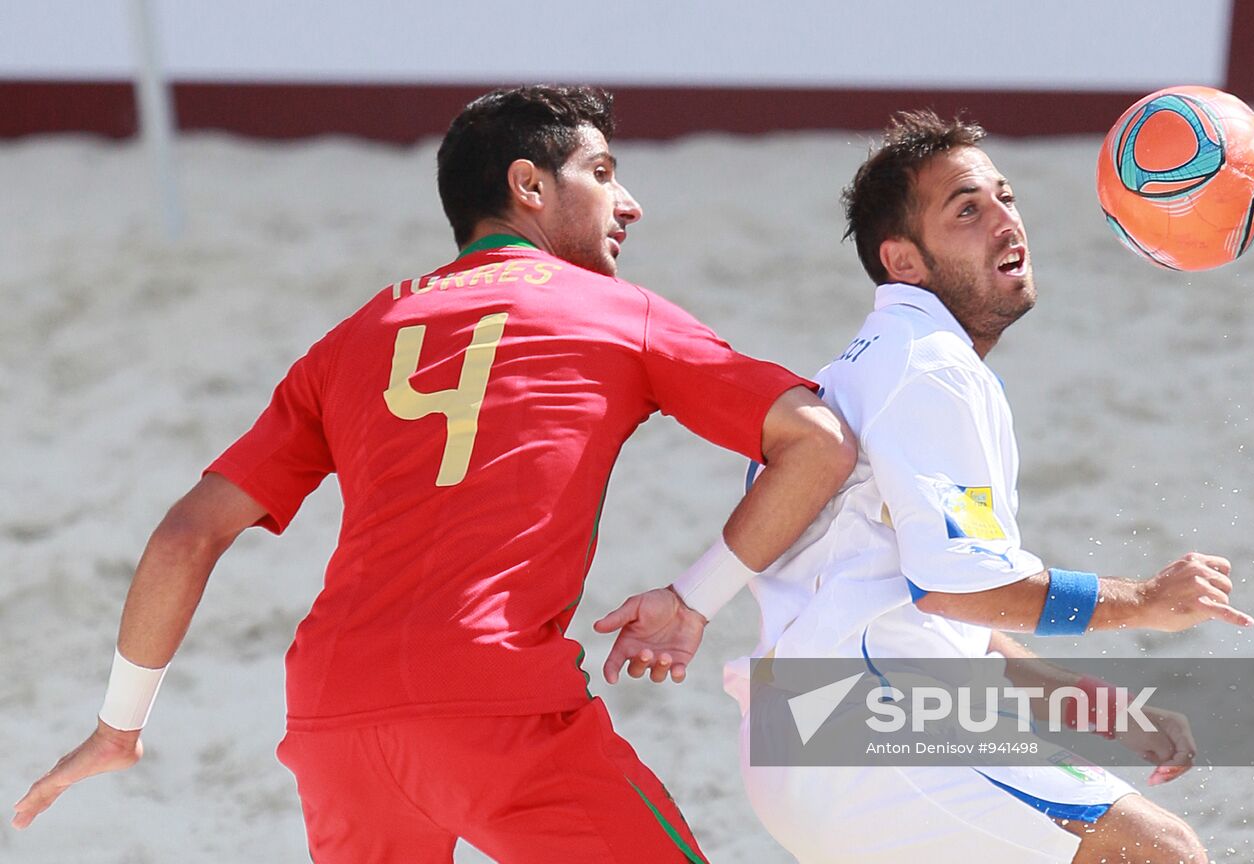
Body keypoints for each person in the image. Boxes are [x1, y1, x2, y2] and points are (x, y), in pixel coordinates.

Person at [12, 85, 857, 863]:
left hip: (332, 717)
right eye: (601, 174)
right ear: (529, 185)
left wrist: (117, 727)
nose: (629, 201)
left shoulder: (353, 335)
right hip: (496, 704)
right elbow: (818, 440)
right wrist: (693, 598)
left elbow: (186, 534)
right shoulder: (617, 313)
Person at [602, 109, 1254, 863]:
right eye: (967, 210)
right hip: (865, 737)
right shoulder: (929, 367)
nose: (1006, 222)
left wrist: (1088, 699)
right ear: (904, 262)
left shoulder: (880, 360)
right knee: (1160, 853)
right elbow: (961, 592)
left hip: (807, 741)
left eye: (1005, 198)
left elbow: (932, 612)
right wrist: (1142, 602)